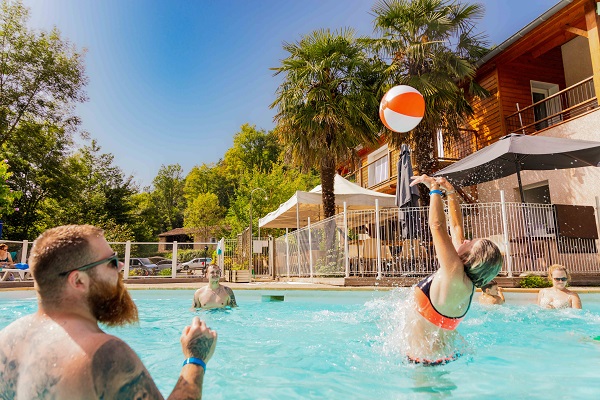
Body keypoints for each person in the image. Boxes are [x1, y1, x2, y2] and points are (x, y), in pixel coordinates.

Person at [0, 225, 217, 399]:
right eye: (111, 262)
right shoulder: (105, 354)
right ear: (78, 280)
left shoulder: (6, 340)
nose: (121, 265)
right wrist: (195, 359)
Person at [405, 175, 502, 365]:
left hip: (424, 361)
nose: (466, 240)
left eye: (471, 243)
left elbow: (437, 226)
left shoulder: (453, 273)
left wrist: (433, 190)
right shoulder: (463, 278)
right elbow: (456, 226)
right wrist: (450, 192)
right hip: (441, 356)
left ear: (470, 258)